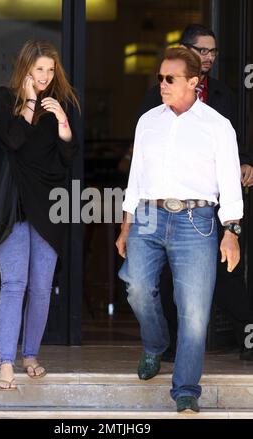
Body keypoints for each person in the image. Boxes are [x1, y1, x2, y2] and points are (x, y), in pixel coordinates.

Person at [116, 47, 243, 413]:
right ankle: (155, 345)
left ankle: (186, 389)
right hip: (148, 215)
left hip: (197, 221)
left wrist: (231, 231)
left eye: (169, 79)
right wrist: (125, 226)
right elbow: (135, 177)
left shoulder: (217, 126)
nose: (162, 85)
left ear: (193, 82)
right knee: (136, 286)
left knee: (194, 312)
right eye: (159, 78)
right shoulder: (148, 121)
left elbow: (230, 186)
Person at [139, 24, 253, 362]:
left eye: (212, 52)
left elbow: (234, 141)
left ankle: (246, 332)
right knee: (164, 276)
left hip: (212, 202)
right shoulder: (155, 95)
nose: (208, 58)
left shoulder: (222, 96)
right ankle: (169, 344)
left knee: (226, 267)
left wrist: (245, 163)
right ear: (184, 51)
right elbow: (143, 150)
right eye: (201, 51)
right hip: (167, 205)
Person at [0, 40, 80, 390]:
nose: (45, 76)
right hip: (12, 205)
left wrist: (60, 117)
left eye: (50, 70)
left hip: (49, 207)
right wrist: (28, 101)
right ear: (26, 68)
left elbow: (68, 155)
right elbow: (13, 140)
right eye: (39, 69)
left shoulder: (60, 103)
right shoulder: (4, 98)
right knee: (15, 284)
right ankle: (6, 363)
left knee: (41, 288)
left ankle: (30, 355)